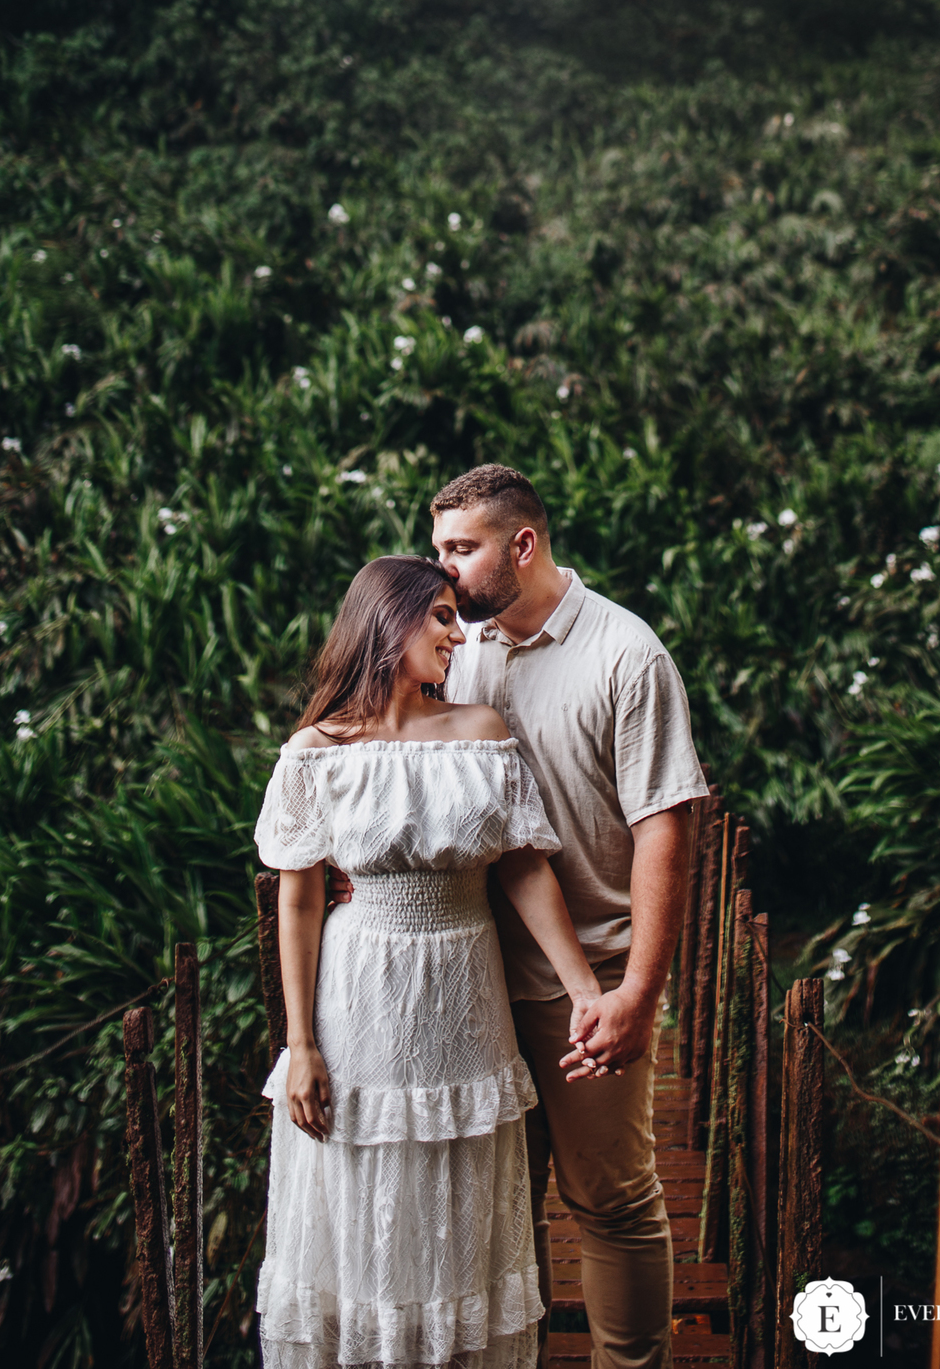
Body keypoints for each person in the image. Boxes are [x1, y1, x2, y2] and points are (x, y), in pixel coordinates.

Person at [254, 553, 607, 1369]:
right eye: (442, 616)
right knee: (362, 1178)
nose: (458, 634)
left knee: (455, 1179)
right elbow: (300, 899)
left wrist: (585, 988)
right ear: (388, 622)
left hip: (463, 984)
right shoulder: (315, 751)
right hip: (360, 990)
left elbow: (522, 865)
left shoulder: (479, 733)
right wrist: (302, 1045)